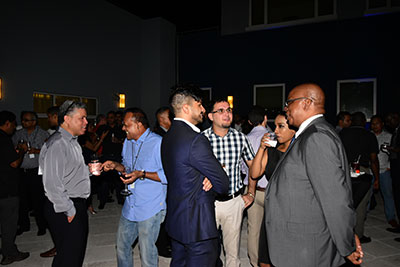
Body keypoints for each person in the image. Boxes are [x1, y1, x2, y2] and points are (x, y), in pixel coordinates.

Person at [264, 83, 363, 266]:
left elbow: (335, 199)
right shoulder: (310, 134)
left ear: (306, 103)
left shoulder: (316, 138)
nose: (286, 108)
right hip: (301, 244)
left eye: (289, 103)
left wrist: (346, 243)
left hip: (307, 248)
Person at [161, 85, 229, 266]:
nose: (203, 110)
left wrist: (206, 174)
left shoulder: (168, 136)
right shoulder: (195, 139)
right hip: (198, 227)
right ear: (186, 108)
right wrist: (214, 174)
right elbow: (223, 184)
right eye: (199, 105)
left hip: (176, 221)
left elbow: (183, 172)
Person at [102, 108, 168, 267]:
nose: (123, 128)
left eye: (126, 125)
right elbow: (127, 167)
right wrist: (116, 166)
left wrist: (142, 174)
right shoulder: (128, 142)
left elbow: (168, 175)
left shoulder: (158, 143)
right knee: (122, 246)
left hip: (151, 206)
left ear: (139, 125)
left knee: (147, 253)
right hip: (130, 205)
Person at [202, 99, 255, 267]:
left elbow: (253, 168)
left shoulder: (241, 138)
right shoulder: (201, 139)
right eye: (221, 110)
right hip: (208, 202)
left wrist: (251, 192)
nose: (227, 114)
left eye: (229, 110)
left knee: (232, 253)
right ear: (210, 116)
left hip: (233, 201)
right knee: (207, 249)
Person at [40, 100, 91, 267]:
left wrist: (89, 170)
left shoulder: (72, 141)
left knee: (71, 254)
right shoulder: (58, 144)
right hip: (65, 206)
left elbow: (69, 172)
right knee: (69, 257)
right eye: (81, 118)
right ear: (67, 119)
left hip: (75, 204)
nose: (86, 122)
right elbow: (52, 184)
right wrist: (69, 210)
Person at [249, 112, 295, 267]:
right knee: (264, 261)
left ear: (293, 129)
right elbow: (254, 173)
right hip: (272, 209)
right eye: (275, 125)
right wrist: (262, 148)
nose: (275, 130)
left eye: (280, 126)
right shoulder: (272, 150)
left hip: (291, 211)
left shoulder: (299, 152)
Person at [340, 111, 380, 244]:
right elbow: (374, 159)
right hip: (362, 171)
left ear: (351, 121)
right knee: (361, 205)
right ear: (364, 122)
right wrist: (377, 178)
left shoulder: (342, 133)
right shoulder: (369, 136)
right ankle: (358, 235)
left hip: (344, 170)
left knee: (344, 202)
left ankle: (341, 233)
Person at [241, 105, 273, 267]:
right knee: (272, 230)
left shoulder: (244, 139)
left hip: (251, 190)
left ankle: (255, 262)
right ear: (265, 118)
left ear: (249, 121)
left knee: (253, 230)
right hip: (270, 191)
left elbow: (241, 167)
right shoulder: (272, 137)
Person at [12, 111, 49, 236]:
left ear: (34, 121)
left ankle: (42, 226)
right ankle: (24, 225)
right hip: (22, 171)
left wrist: (36, 150)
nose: (23, 122)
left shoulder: (43, 133)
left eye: (26, 120)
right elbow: (12, 149)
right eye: (22, 120)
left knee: (38, 200)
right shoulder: (18, 134)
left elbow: (49, 151)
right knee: (22, 200)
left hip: (36, 171)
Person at [0, 110, 30, 265]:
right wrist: (23, 151)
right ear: (7, 123)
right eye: (13, 124)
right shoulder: (4, 139)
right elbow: (14, 163)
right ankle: (9, 253)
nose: (14, 127)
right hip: (7, 189)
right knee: (9, 223)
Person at [370, 115, 398, 228]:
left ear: (382, 124)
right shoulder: (369, 136)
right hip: (371, 170)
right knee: (366, 195)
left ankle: (391, 217)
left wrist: (390, 166)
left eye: (376, 123)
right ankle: (363, 216)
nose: (374, 126)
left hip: (384, 169)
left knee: (388, 195)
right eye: (372, 124)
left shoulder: (389, 136)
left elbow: (394, 154)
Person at [385, 112, 400, 240]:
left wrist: (391, 149)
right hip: (395, 167)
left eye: (390, 121)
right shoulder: (396, 130)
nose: (388, 124)